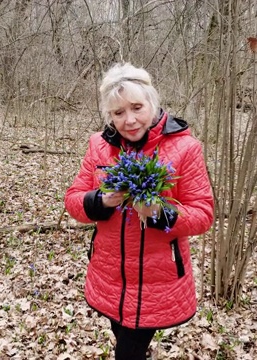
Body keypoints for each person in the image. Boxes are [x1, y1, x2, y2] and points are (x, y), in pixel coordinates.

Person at [64, 63, 214, 360]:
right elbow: (73, 200)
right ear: (109, 115)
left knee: (127, 354)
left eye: (136, 107)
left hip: (156, 281)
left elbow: (203, 213)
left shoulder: (185, 148)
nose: (129, 120)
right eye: (118, 113)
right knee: (123, 340)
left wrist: (160, 211)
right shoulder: (99, 146)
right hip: (109, 275)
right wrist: (101, 201)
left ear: (152, 103)